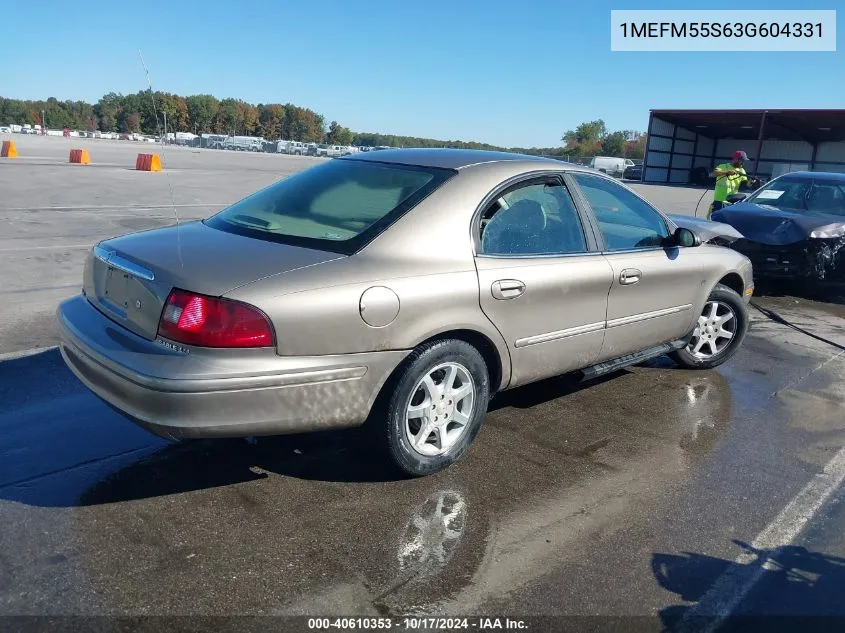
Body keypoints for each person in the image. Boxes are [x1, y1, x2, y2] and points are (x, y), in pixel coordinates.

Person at [709, 150, 755, 219]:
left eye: (743, 161)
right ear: (736, 159)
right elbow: (712, 174)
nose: (742, 162)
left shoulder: (741, 170)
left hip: (732, 202)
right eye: (741, 160)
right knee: (716, 221)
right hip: (719, 200)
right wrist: (727, 172)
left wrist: (750, 183)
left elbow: (746, 184)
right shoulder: (724, 166)